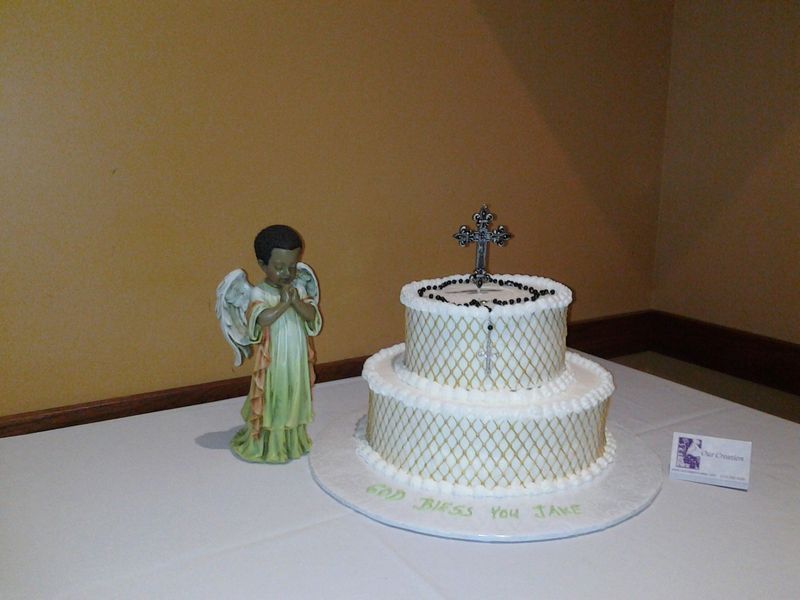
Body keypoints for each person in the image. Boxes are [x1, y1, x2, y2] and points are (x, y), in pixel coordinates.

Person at [229, 225, 322, 463]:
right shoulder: (260, 291)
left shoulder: (298, 287)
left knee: (294, 392)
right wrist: (283, 304)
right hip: (275, 356)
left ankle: (292, 440)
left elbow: (312, 316)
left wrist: (296, 302)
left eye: (292, 267)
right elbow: (262, 318)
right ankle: (270, 443)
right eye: (279, 267)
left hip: (296, 352)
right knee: (277, 393)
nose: (287, 273)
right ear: (262, 264)